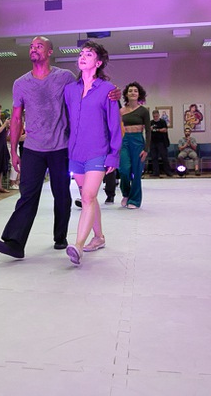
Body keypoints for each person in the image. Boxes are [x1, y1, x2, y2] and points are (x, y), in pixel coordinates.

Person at [0, 36, 120, 259]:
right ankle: (15, 242)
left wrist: (114, 94)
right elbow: (15, 118)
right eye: (31, 46)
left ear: (50, 52)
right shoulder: (23, 83)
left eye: (39, 46)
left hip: (62, 146)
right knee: (29, 195)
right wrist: (13, 150)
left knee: (65, 195)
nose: (34, 49)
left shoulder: (65, 78)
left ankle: (63, 238)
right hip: (36, 147)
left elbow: (96, 102)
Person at [63, 41, 121, 265]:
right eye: (81, 53)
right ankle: (99, 237)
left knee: (87, 197)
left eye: (89, 54)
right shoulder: (70, 90)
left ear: (98, 63)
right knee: (89, 196)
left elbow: (114, 124)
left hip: (98, 151)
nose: (83, 57)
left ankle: (78, 246)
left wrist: (114, 154)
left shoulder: (108, 90)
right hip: (75, 152)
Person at [118, 82, 151, 208]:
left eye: (135, 91)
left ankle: (135, 200)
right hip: (125, 141)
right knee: (124, 170)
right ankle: (126, 194)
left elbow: (148, 131)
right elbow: (116, 129)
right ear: (126, 94)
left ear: (139, 94)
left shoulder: (143, 111)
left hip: (138, 141)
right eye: (130, 91)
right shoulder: (121, 111)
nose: (133, 93)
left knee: (137, 172)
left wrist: (146, 149)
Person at [150, 109, 175, 177]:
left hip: (161, 142)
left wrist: (156, 129)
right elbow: (149, 130)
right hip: (153, 142)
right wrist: (150, 129)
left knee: (164, 157)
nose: (155, 117)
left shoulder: (162, 122)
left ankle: (168, 172)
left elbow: (164, 130)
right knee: (154, 158)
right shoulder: (151, 122)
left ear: (159, 115)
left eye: (156, 116)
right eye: (154, 116)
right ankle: (156, 172)